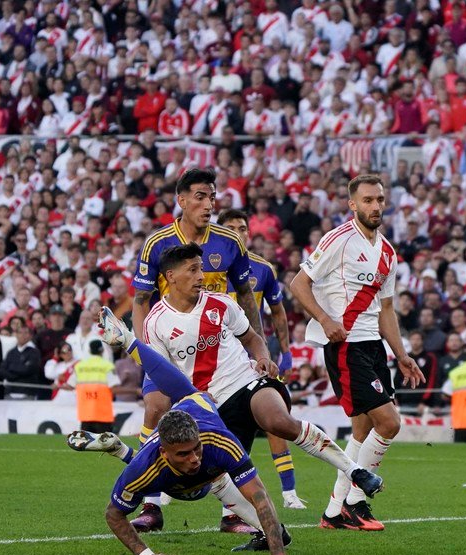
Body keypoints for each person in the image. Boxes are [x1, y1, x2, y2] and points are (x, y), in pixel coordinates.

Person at [97, 243, 380, 529]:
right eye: (192, 270)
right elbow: (162, 373)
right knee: (213, 478)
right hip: (208, 405)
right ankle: (264, 531)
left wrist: (263, 358)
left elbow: (252, 338)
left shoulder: (220, 303)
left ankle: (354, 470)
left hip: (245, 382)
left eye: (201, 268)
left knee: (277, 420)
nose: (201, 276)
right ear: (170, 276)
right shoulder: (156, 321)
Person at [84, 307, 289, 555]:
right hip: (179, 483)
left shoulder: (219, 443)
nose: (193, 458)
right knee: (184, 483)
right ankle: (122, 451)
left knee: (190, 393)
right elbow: (114, 514)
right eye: (183, 453)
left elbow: (260, 495)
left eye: (196, 449)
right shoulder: (146, 467)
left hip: (200, 408)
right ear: (164, 452)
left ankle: (128, 341)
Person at [128, 168, 263, 532]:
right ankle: (151, 506)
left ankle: (231, 513)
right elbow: (140, 299)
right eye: (200, 197)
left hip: (219, 352)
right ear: (182, 200)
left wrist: (259, 346)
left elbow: (247, 296)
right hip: (169, 345)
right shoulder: (157, 243)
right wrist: (146, 353)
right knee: (156, 409)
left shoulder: (230, 242)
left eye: (212, 197)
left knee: (229, 425)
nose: (208, 204)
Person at [291, 173, 426, 531]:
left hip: (373, 346)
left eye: (380, 199)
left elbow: (386, 310)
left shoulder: (387, 252)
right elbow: (298, 283)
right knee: (390, 423)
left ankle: (335, 512)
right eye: (367, 200)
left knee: (363, 433)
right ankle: (356, 500)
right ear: (353, 204)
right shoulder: (338, 239)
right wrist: (323, 318)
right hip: (346, 346)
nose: (375, 206)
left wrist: (402, 354)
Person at [218, 209, 304, 510]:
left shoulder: (263, 269)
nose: (238, 233)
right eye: (230, 228)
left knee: (274, 421)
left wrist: (286, 352)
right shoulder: (204, 267)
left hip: (256, 355)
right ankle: (163, 489)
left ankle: (289, 492)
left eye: (242, 228)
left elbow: (278, 312)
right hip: (217, 358)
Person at [63, 339, 120, 433]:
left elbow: (70, 386)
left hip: (86, 415)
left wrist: (57, 386)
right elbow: (114, 388)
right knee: (105, 446)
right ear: (102, 350)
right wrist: (135, 391)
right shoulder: (107, 366)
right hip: (102, 415)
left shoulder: (80, 366)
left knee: (86, 445)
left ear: (89, 350)